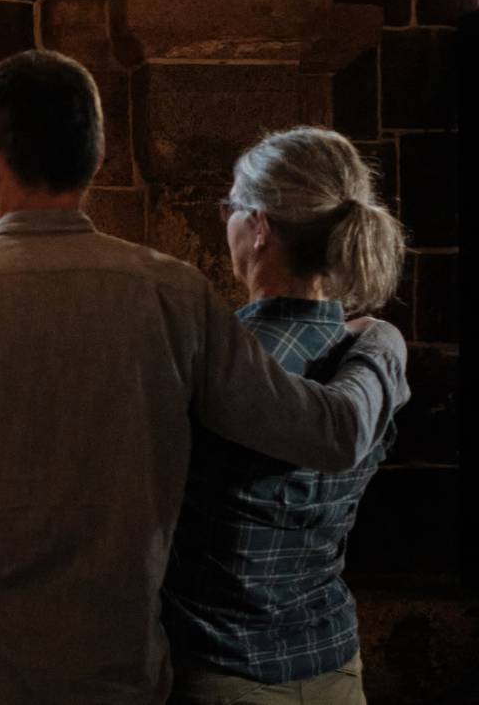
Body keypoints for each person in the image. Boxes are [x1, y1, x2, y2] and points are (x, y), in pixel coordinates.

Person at [0, 50, 410, 705]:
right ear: (98, 159)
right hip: (114, 669)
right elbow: (323, 431)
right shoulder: (174, 295)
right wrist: (382, 341)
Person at [163, 127, 406, 704]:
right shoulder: (367, 358)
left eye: (231, 206)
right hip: (334, 666)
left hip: (224, 671)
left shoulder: (211, 361)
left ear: (259, 227)